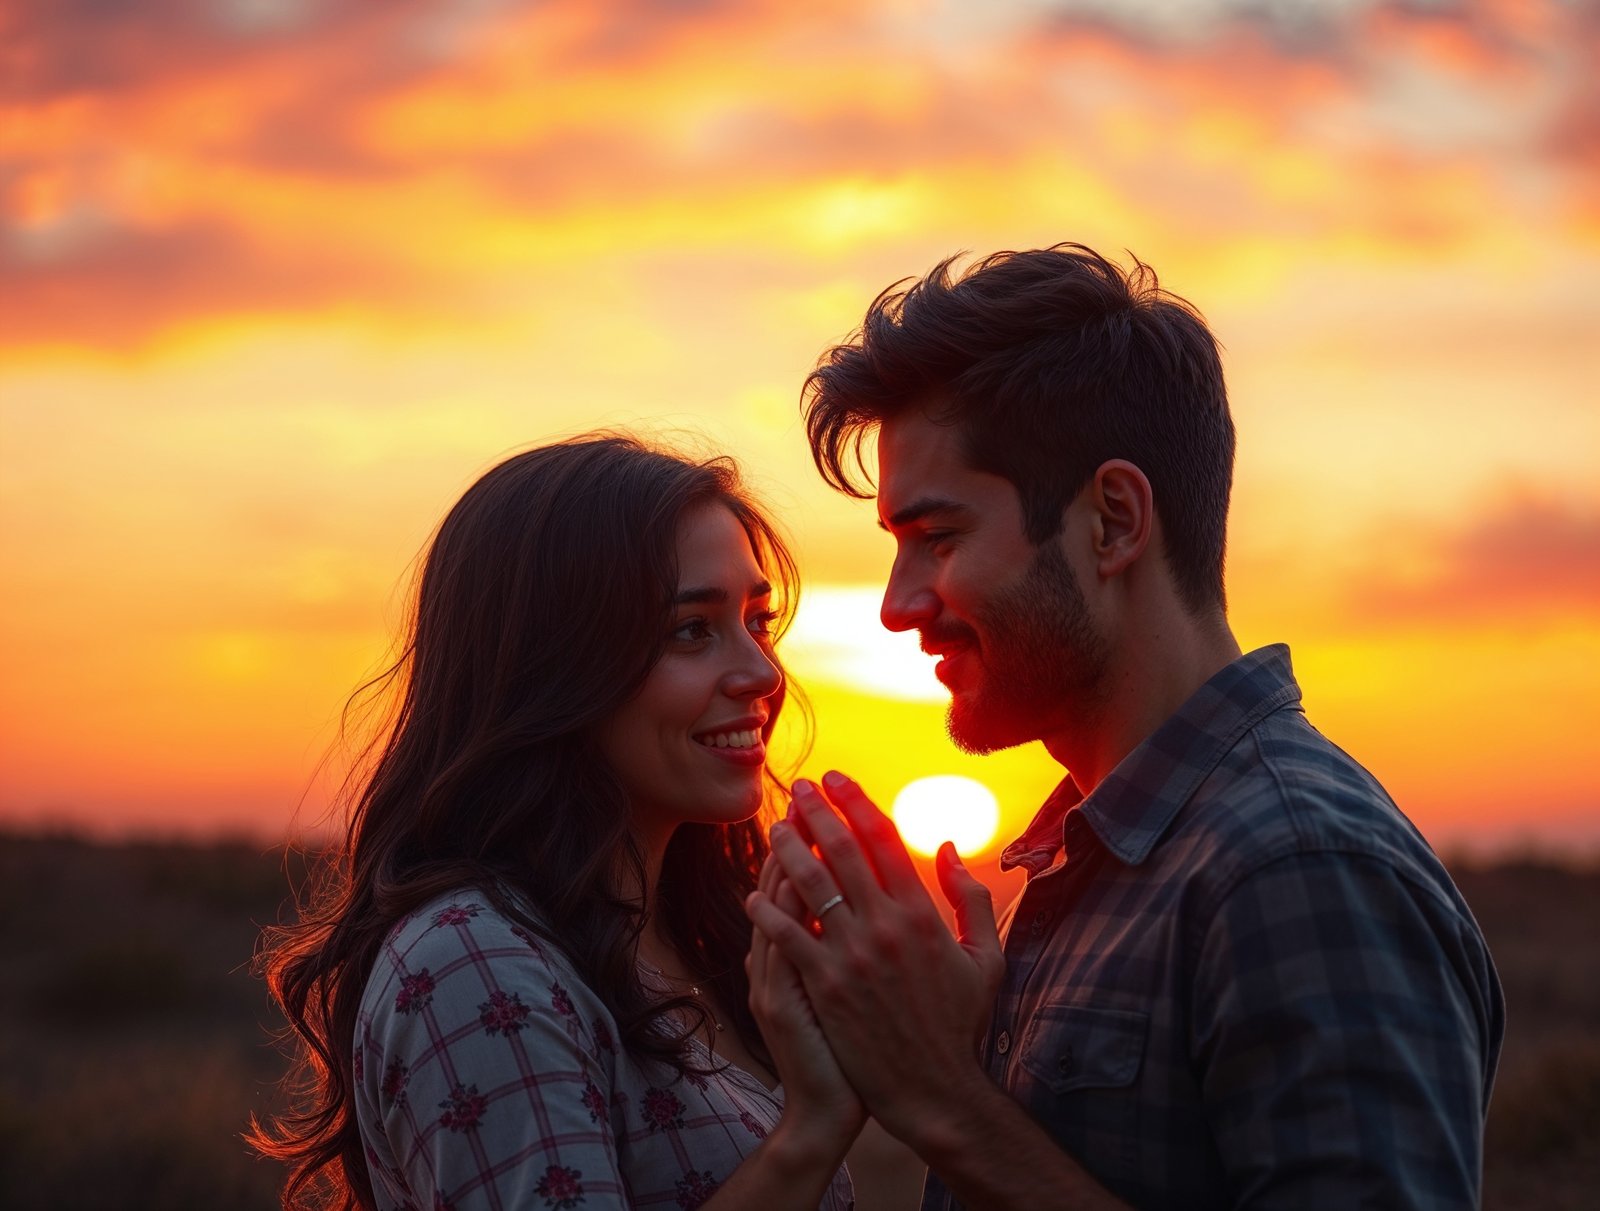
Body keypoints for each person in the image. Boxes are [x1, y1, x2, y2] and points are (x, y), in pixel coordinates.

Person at [746, 245, 1506, 1210]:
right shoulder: (1093, 856)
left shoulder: (1299, 870)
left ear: (1112, 521)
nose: (897, 605)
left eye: (937, 539)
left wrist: (941, 1098)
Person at [254, 435, 860, 1211]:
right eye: (691, 630)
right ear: (556, 665)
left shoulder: (689, 937)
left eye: (757, 621)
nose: (763, 673)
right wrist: (811, 1132)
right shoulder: (474, 963)